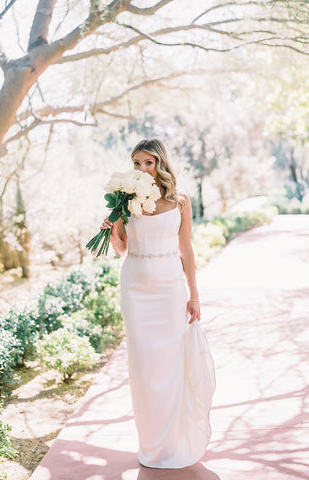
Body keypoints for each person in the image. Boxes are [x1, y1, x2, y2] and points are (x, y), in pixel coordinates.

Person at [101, 138, 215, 469]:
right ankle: (151, 444)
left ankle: (175, 440)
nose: (141, 169)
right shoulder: (123, 201)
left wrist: (194, 294)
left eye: (147, 163)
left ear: (160, 164)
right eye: (136, 163)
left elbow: (186, 251)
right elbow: (122, 248)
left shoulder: (180, 202)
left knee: (171, 364)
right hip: (135, 288)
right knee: (144, 368)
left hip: (169, 289)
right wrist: (111, 230)